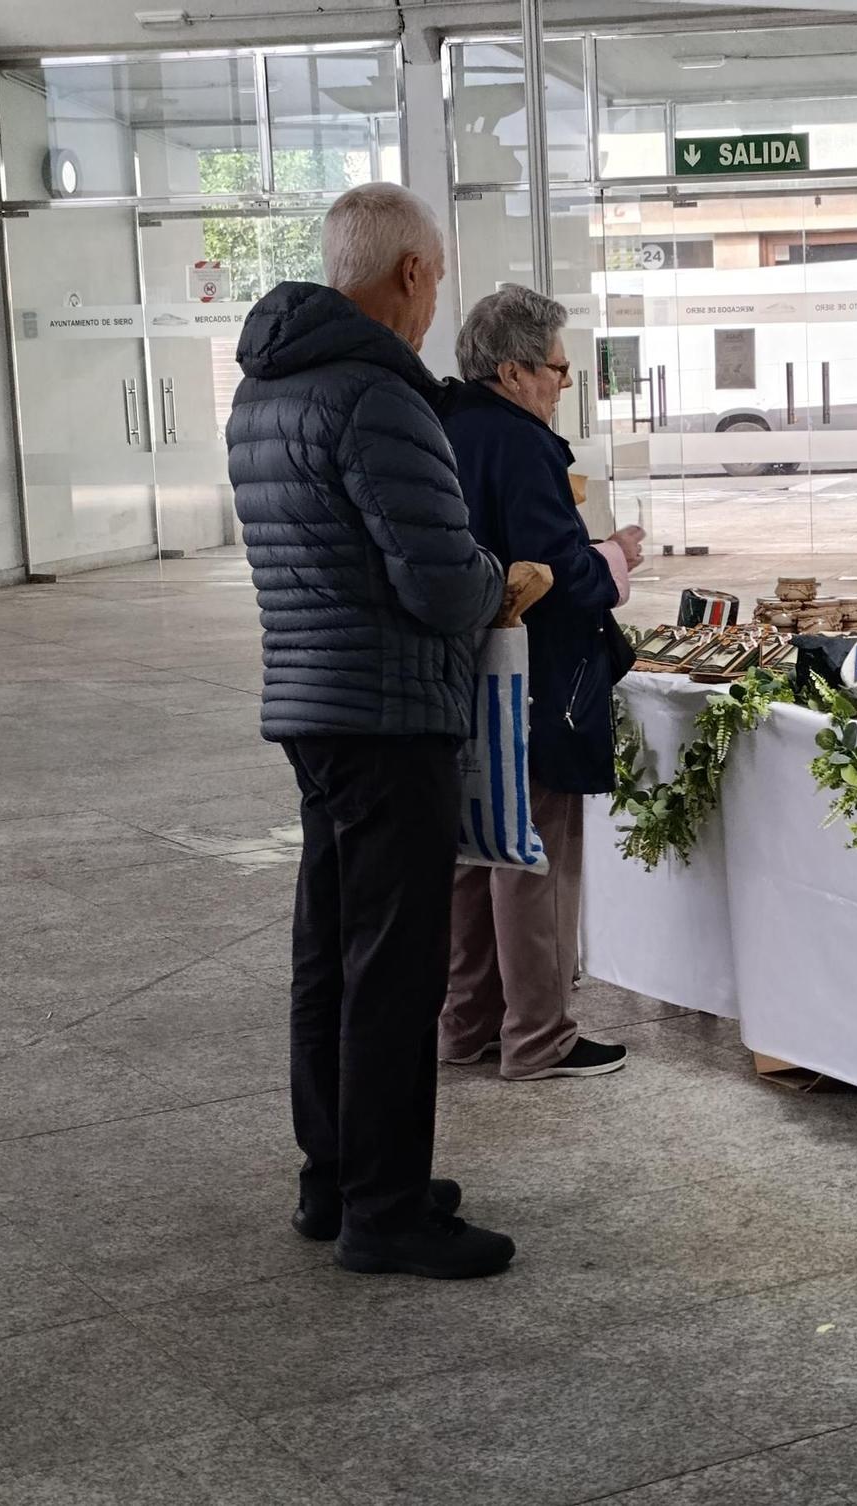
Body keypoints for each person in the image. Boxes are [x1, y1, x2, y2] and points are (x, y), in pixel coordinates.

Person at [228, 183, 515, 1280]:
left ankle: (335, 1175)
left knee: (330, 952)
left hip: (309, 704)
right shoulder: (376, 397)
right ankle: (385, 1209)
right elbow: (442, 584)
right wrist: (506, 575)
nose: (434, 302)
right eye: (435, 280)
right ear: (407, 273)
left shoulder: (265, 392)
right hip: (389, 714)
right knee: (395, 968)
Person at [437, 286, 645, 1081]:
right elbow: (554, 571)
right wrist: (617, 555)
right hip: (535, 675)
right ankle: (539, 1037)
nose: (563, 384)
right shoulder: (521, 443)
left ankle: (468, 1027)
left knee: (475, 851)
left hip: (467, 671)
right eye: (558, 369)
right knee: (535, 856)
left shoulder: (447, 426)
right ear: (515, 368)